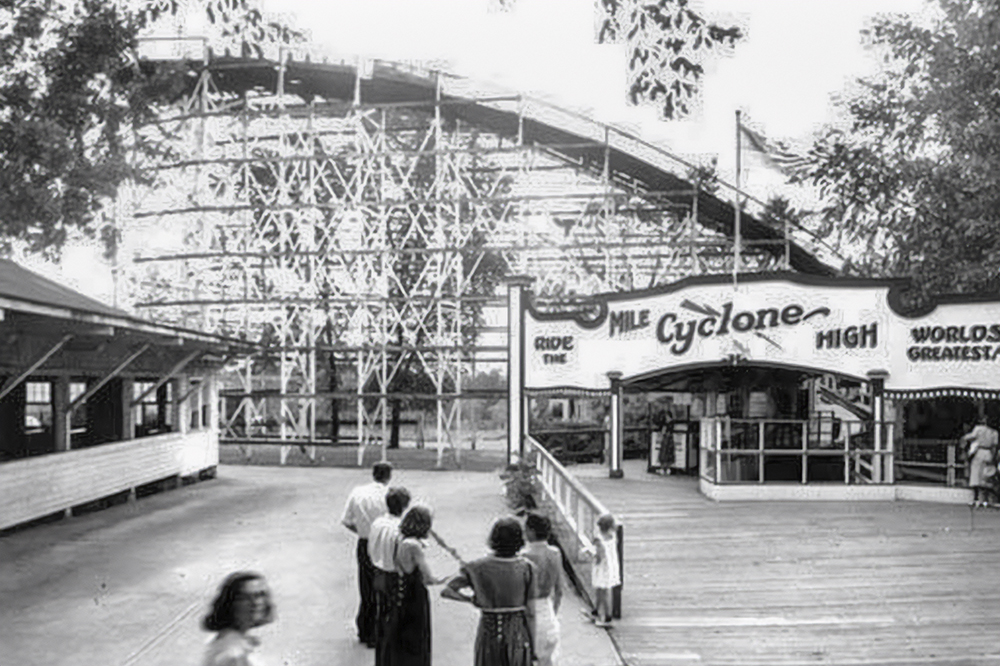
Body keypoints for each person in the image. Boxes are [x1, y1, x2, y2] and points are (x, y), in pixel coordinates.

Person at [442, 516, 535, 666]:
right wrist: (533, 646)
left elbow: (447, 590)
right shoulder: (526, 567)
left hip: (488, 627)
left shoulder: (476, 567)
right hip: (516, 629)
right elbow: (531, 612)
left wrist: (470, 599)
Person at [381, 504, 444, 666]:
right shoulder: (414, 546)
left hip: (400, 590)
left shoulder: (400, 539)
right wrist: (447, 578)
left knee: (401, 635)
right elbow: (428, 578)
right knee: (416, 638)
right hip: (414, 594)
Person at [342, 461, 393, 646]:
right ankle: (381, 630)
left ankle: (365, 628)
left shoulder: (358, 492)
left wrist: (363, 531)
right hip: (385, 542)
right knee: (385, 586)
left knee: (366, 586)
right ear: (388, 476)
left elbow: (346, 521)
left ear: (373, 474)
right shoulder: (390, 494)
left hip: (365, 542)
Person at [369, 486, 412, 664]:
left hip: (378, 571)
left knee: (382, 614)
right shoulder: (399, 529)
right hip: (394, 576)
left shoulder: (377, 522)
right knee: (395, 620)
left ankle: (382, 657)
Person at [201, 571, 275, 666]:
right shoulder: (232, 653)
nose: (255, 603)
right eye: (246, 598)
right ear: (230, 604)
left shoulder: (236, 643)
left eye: (260, 595)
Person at [521, 513, 563, 666]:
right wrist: (554, 613)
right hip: (549, 613)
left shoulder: (524, 557)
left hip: (529, 614)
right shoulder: (555, 553)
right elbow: (559, 591)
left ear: (531, 531)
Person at [588, 513, 619, 628]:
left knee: (601, 590)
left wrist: (590, 553)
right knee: (605, 590)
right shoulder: (613, 536)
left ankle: (606, 617)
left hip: (602, 568)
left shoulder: (598, 539)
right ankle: (596, 611)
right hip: (611, 567)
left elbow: (599, 556)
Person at [961, 416, 999, 507]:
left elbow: (969, 437)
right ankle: (985, 500)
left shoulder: (979, 429)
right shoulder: (994, 432)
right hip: (988, 453)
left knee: (976, 476)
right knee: (985, 477)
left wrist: (964, 438)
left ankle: (976, 499)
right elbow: (995, 446)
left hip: (979, 452)